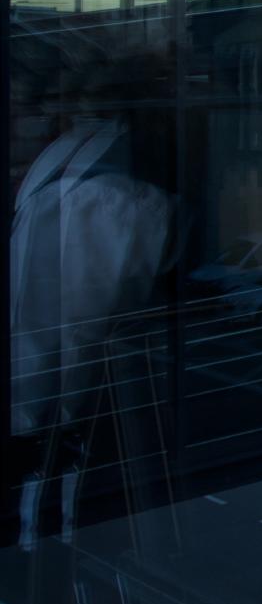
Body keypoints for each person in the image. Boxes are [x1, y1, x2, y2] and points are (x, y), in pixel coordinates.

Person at [10, 47, 176, 550]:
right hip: (87, 404)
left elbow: (54, 323)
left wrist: (33, 418)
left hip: (64, 406)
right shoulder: (98, 182)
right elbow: (76, 321)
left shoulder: (75, 173)